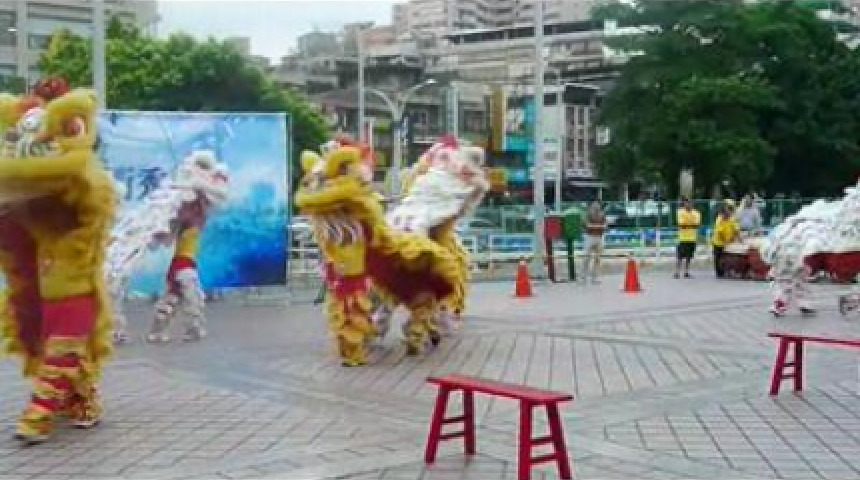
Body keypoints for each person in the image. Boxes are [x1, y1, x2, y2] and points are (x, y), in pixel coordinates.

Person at [674, 197, 701, 278]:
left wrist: (687, 224)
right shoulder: (680, 212)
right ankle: (677, 272)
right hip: (682, 238)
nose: (688, 204)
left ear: (692, 204)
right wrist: (690, 224)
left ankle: (686, 272)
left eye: (689, 202)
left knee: (689, 256)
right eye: (686, 203)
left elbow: (697, 224)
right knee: (679, 256)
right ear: (684, 204)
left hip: (692, 238)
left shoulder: (696, 213)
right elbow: (681, 224)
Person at [712, 201, 739, 278]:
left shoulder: (732, 219)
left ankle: (727, 270)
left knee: (727, 257)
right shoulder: (719, 220)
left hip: (729, 241)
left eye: (729, 213)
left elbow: (736, 230)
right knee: (718, 257)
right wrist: (725, 242)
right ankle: (719, 273)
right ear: (723, 214)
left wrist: (739, 239)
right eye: (726, 214)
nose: (728, 215)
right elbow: (720, 233)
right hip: (718, 242)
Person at [582, 200, 607, 284]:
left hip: (599, 237)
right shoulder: (587, 214)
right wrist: (600, 226)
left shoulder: (602, 214)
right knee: (586, 258)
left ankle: (594, 278)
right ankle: (583, 277)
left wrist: (594, 226)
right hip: (589, 237)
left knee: (598, 259)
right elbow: (587, 225)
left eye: (598, 205)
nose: (596, 207)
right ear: (591, 206)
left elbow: (605, 226)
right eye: (594, 205)